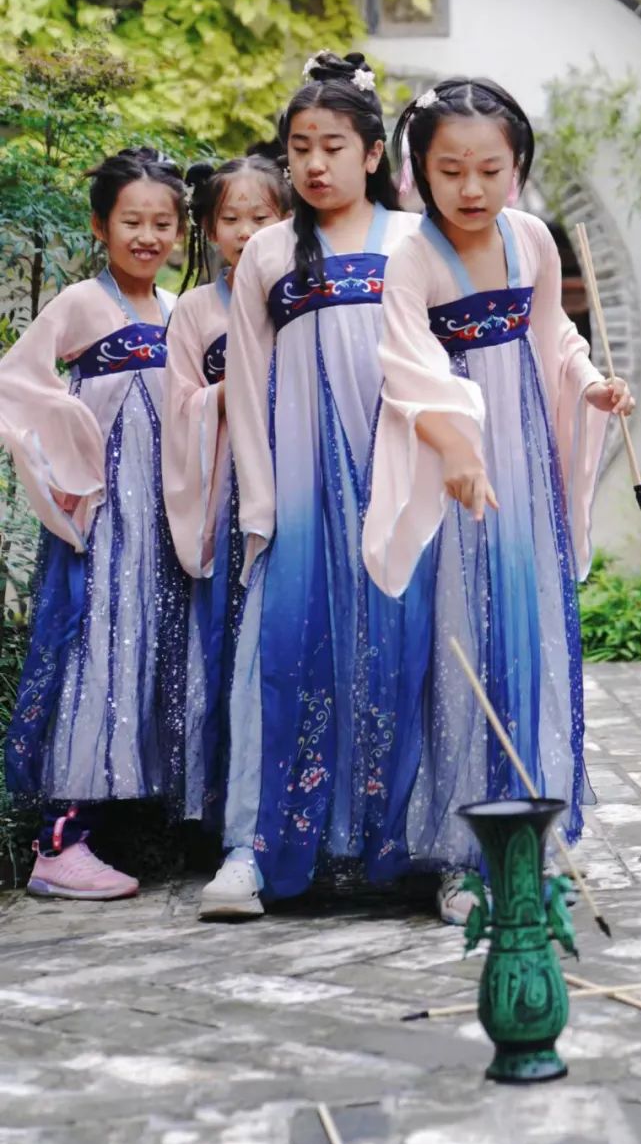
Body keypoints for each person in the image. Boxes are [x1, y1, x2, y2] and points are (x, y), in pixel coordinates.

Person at [361, 77, 632, 924]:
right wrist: (453, 452)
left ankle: (531, 832)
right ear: (419, 172)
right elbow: (405, 368)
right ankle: (456, 852)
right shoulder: (410, 258)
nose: (471, 190)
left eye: (490, 169)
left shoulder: (532, 241)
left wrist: (588, 384)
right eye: (451, 171)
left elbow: (552, 333)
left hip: (522, 462)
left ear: (517, 168)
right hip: (454, 472)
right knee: (458, 646)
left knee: (528, 633)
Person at [197, 51, 419, 919]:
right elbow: (248, 390)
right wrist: (263, 502)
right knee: (282, 658)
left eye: (333, 145)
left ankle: (415, 845)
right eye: (299, 148)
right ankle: (253, 849)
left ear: (373, 154)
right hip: (300, 491)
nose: (314, 164)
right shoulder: (265, 255)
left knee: (404, 654)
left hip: (402, 483)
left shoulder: (414, 242)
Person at [2, 147, 189, 900]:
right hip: (107, 521)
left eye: (163, 222)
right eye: (131, 221)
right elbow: (17, 380)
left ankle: (142, 819)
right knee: (94, 652)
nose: (147, 236)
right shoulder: (83, 302)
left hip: (163, 525)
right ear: (101, 225)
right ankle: (58, 841)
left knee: (148, 651)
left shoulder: (178, 309)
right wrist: (72, 457)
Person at [161, 155, 289, 829]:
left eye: (259, 218)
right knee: (232, 635)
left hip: (292, 472)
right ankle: (228, 811)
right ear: (208, 228)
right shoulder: (191, 311)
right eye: (230, 220)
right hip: (228, 484)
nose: (244, 233)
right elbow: (177, 404)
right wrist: (230, 392)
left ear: (286, 219)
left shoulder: (293, 295)